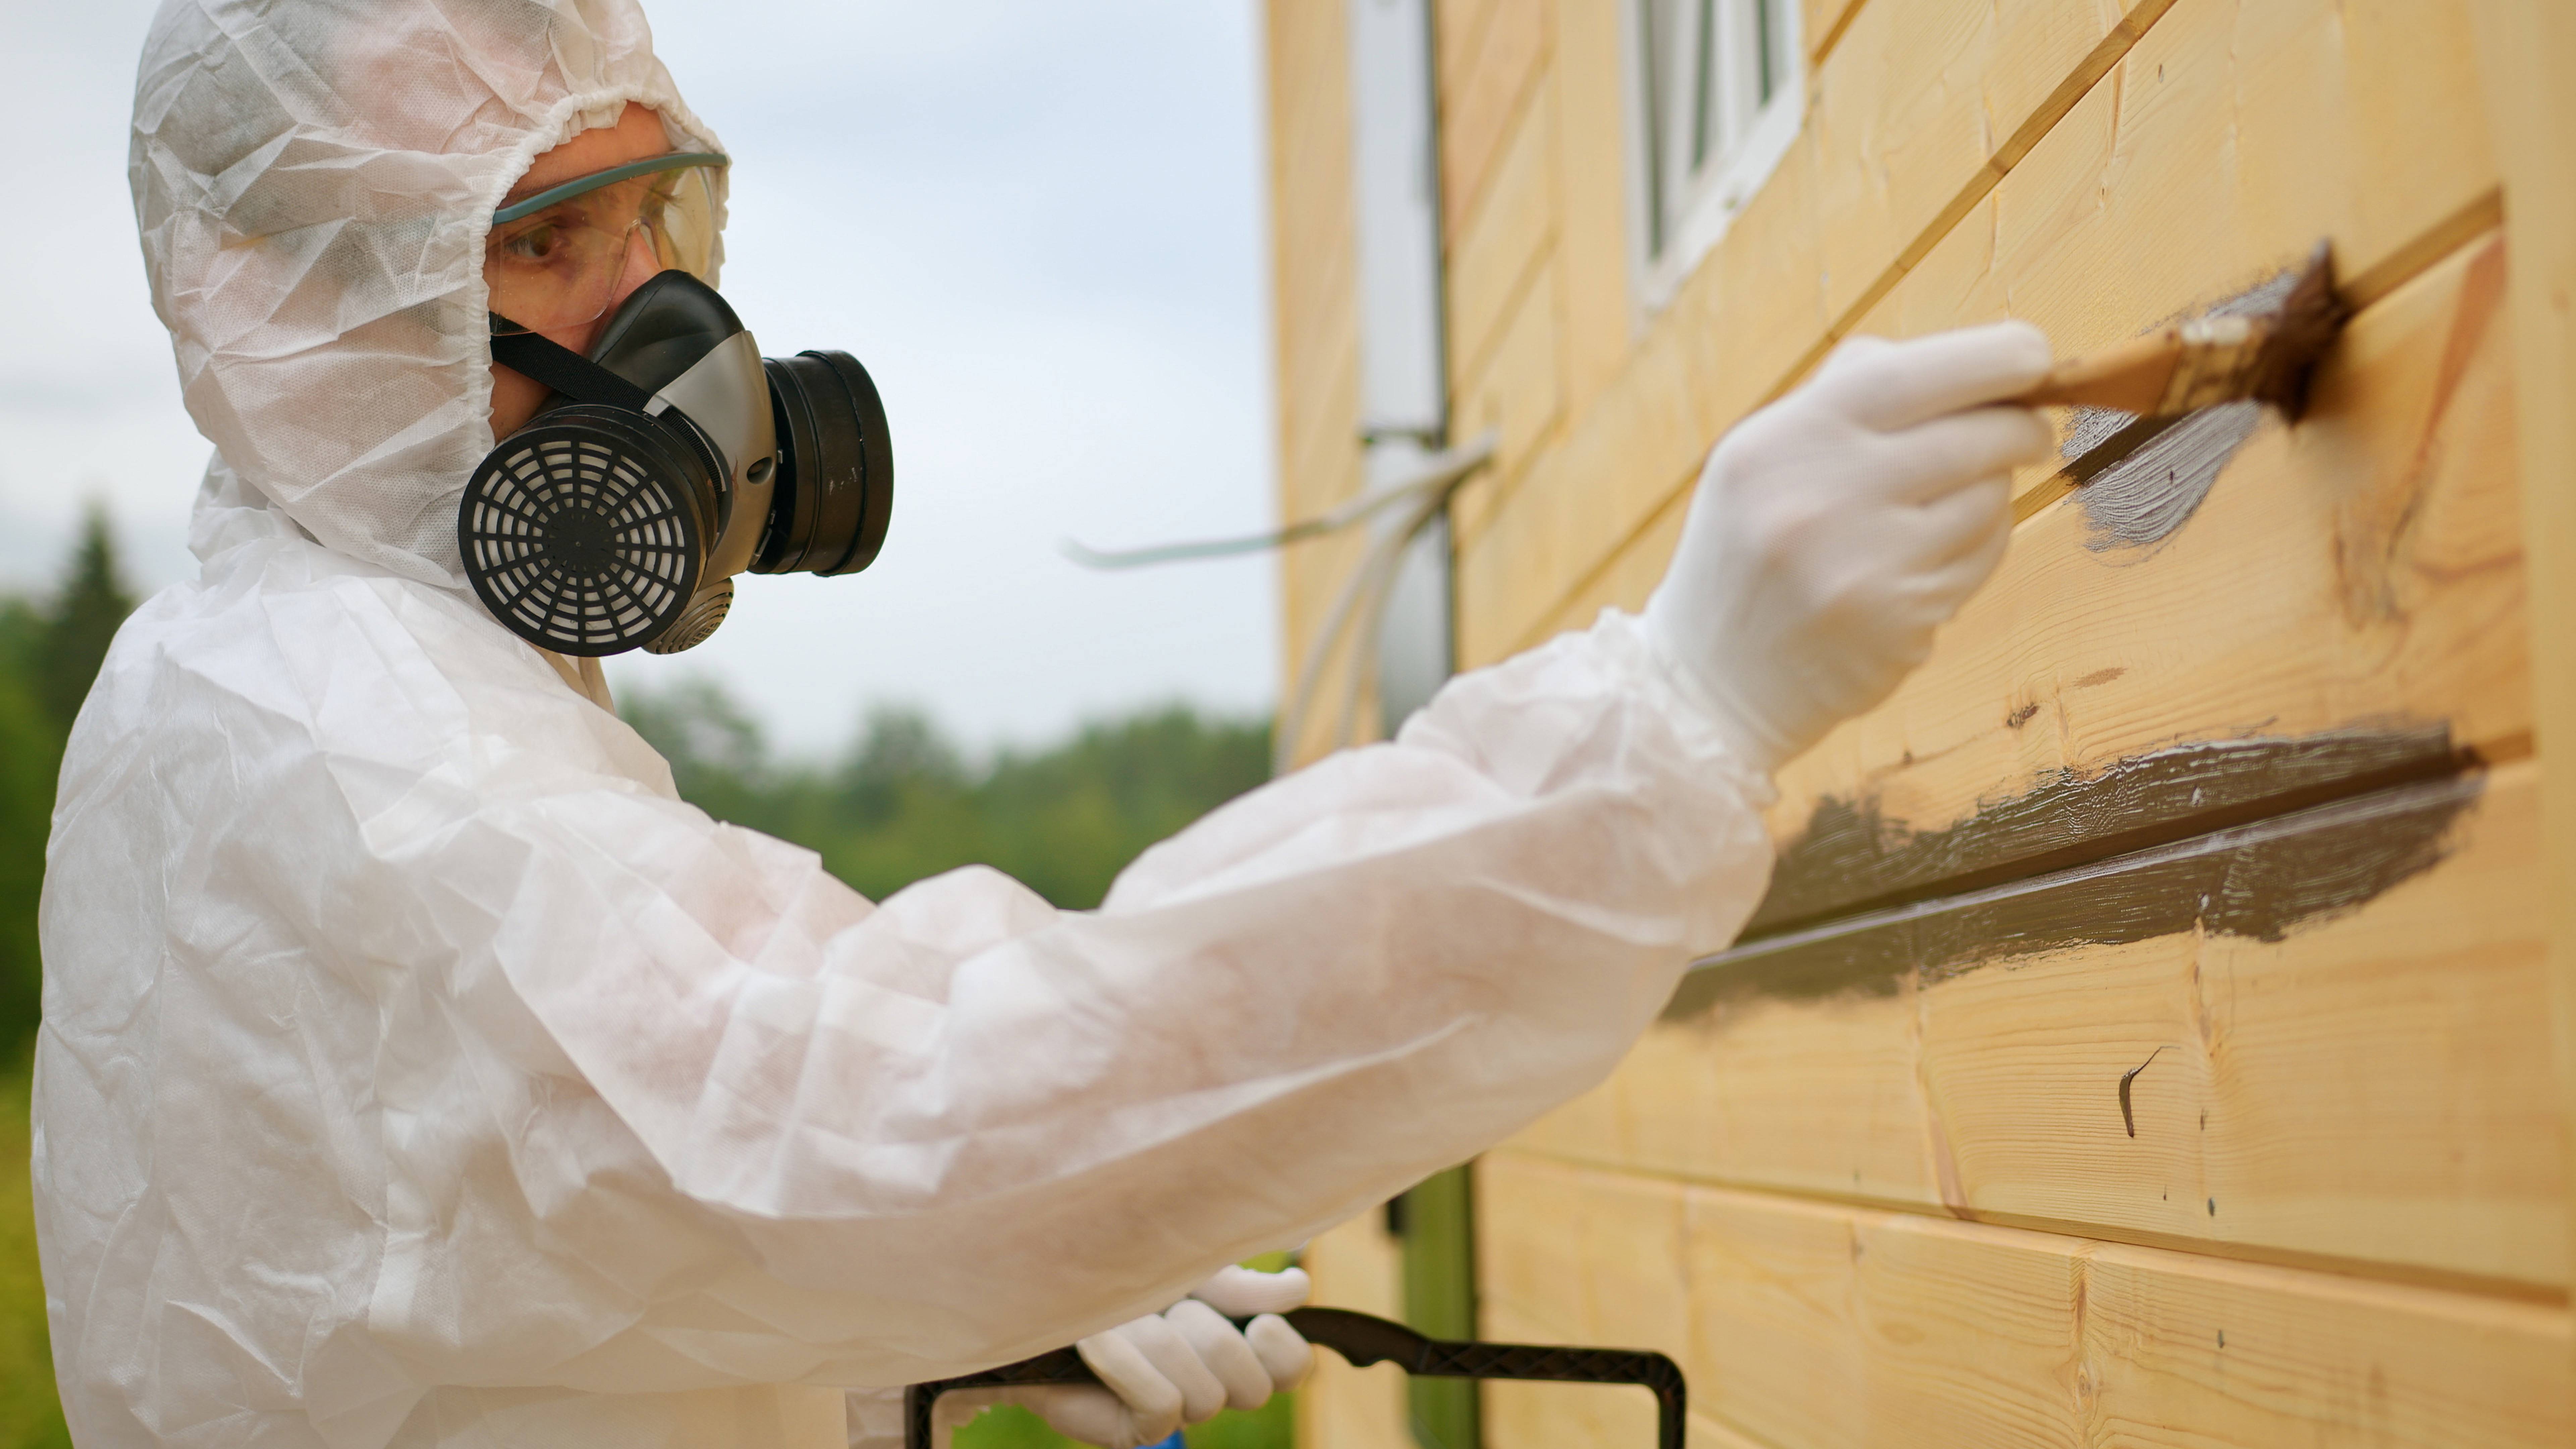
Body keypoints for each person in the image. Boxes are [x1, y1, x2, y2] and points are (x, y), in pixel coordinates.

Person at [33, 1, 2051, 1446]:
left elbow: (478, 1301)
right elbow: (870, 1105)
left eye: (656, 227)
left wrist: (939, 1348)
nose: (666, 340)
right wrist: (1674, 714)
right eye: (540, 247)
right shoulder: (348, 744)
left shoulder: (310, 676)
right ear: (285, 307)